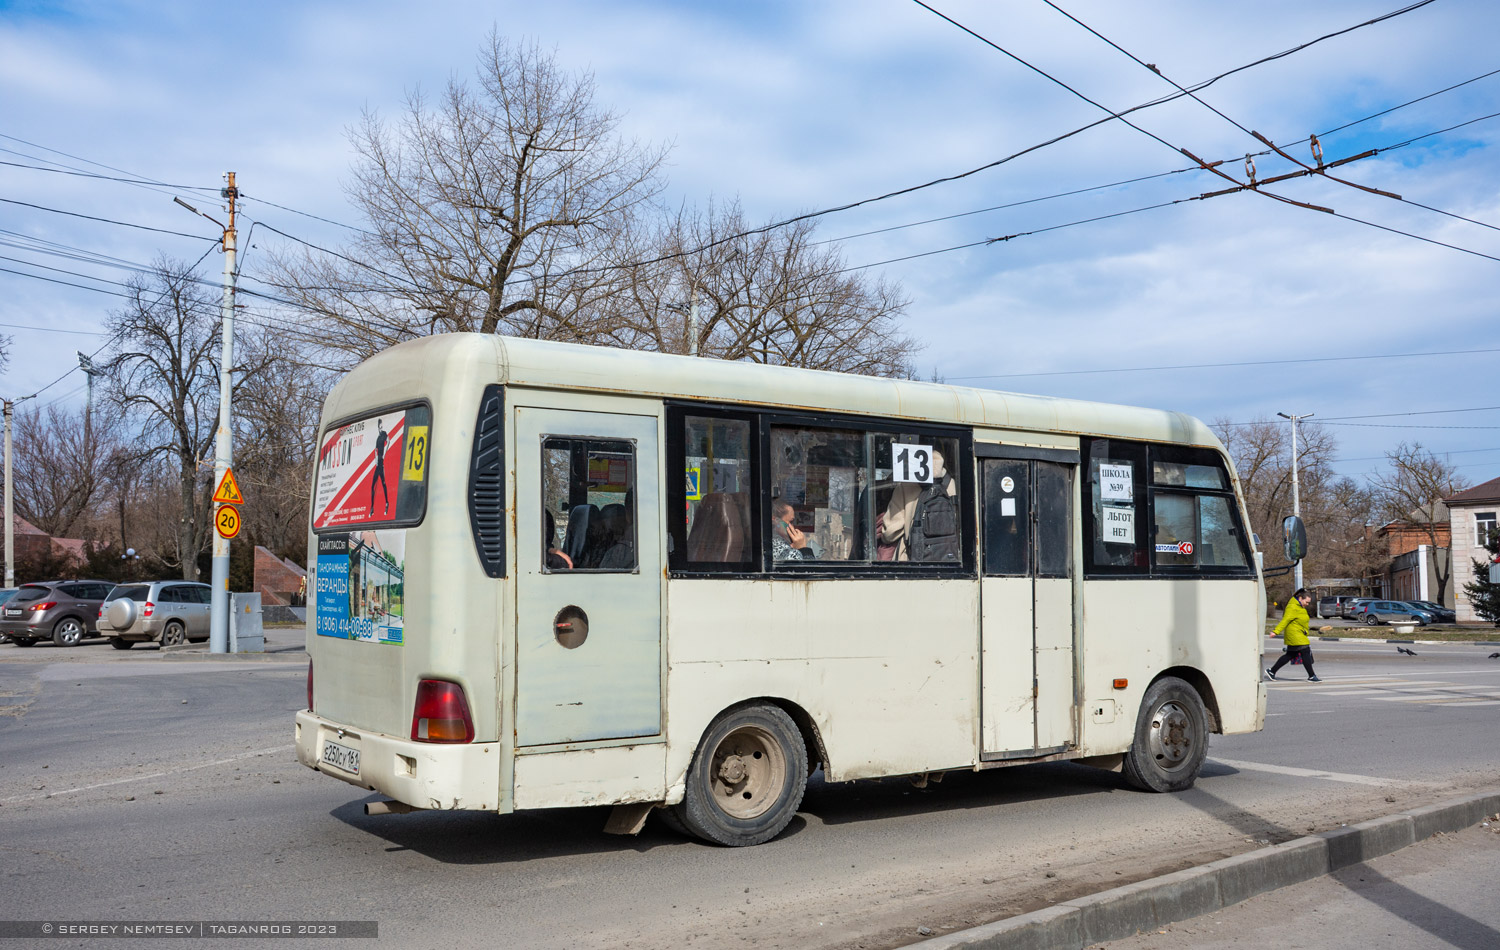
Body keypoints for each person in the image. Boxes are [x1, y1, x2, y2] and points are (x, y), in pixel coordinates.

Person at [1268, 588, 1321, 681]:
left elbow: (1300, 621)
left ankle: (1272, 671)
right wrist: (1275, 631)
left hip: (1299, 633)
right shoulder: (1292, 607)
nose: (1307, 604)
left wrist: (1307, 630)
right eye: (1306, 602)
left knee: (1290, 655)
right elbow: (1285, 620)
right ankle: (1312, 675)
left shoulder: (1300, 607)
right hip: (1294, 635)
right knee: (1305, 651)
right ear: (1300, 598)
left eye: (1309, 603)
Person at [368, 419, 391, 515]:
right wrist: (375, 458)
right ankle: (372, 508)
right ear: (378, 427)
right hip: (378, 464)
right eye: (380, 426)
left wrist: (384, 453)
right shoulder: (378, 438)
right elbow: (375, 449)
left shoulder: (384, 434)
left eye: (382, 426)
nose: (381, 427)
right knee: (373, 486)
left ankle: (387, 503)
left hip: (382, 463)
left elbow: (389, 441)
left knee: (383, 483)